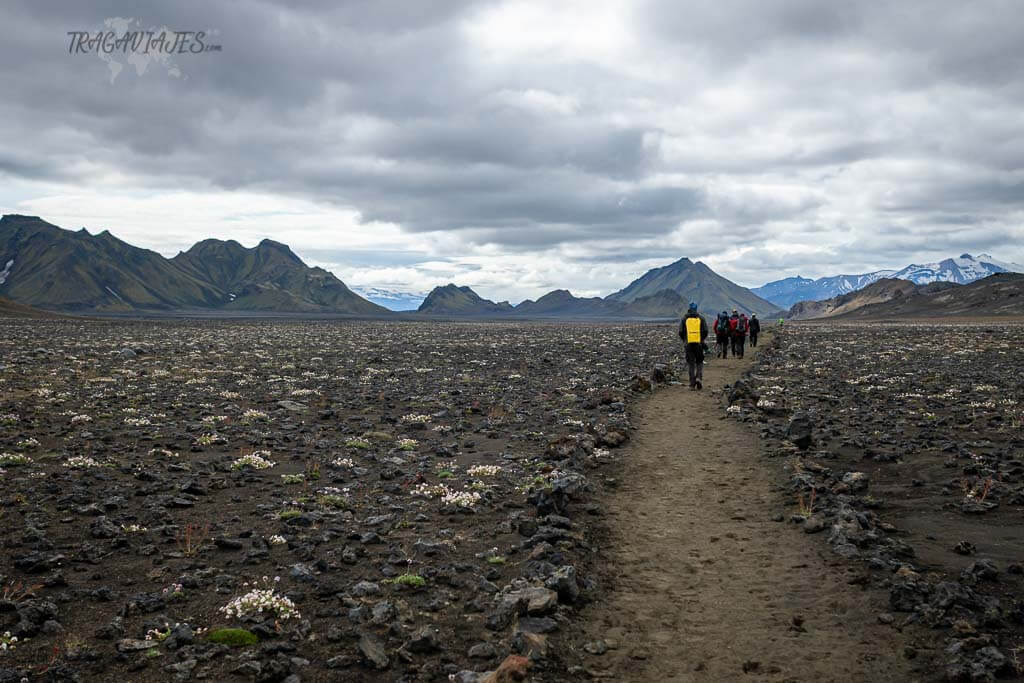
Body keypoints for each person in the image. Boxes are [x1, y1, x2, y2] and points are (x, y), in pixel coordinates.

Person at [678, 302, 709, 390]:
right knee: (699, 362)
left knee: (691, 364)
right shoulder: (701, 318)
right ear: (696, 309)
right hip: (699, 344)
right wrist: (701, 340)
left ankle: (692, 384)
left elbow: (680, 332)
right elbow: (706, 331)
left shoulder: (684, 318)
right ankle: (699, 378)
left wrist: (685, 340)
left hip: (688, 344)